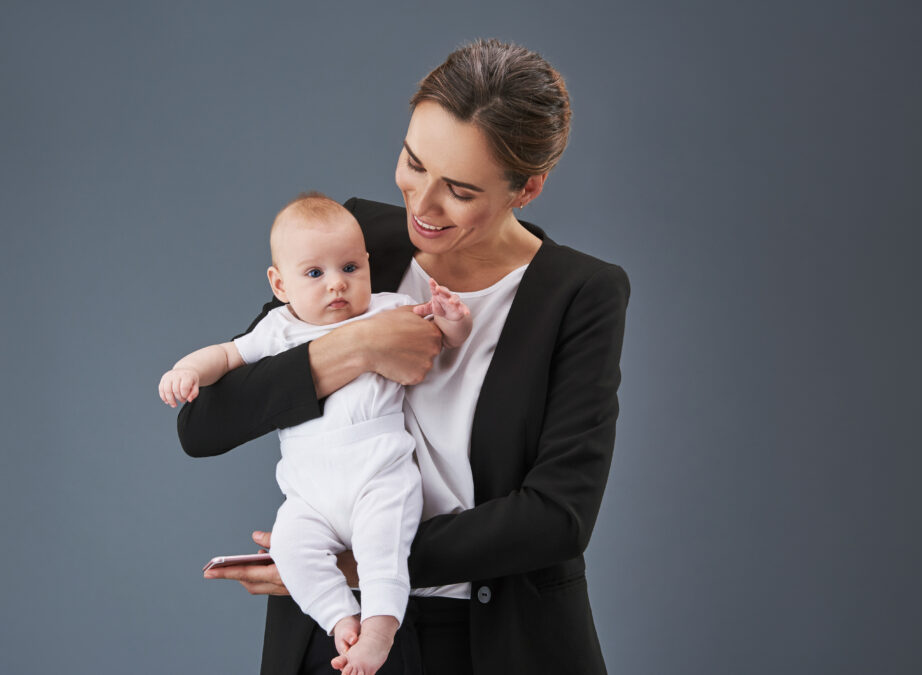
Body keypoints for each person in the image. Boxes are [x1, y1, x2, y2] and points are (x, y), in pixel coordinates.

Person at [178, 39, 630, 675]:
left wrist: (358, 560)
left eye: (461, 190)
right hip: (333, 635)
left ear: (527, 187)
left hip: (493, 641)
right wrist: (356, 344)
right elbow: (204, 424)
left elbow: (556, 518)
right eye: (414, 163)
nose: (421, 205)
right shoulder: (355, 246)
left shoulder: (580, 293)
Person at [160, 194, 472, 675]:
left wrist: (453, 318)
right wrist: (187, 370)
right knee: (288, 545)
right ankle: (341, 619)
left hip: (379, 475)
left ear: (368, 264)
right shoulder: (278, 329)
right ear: (279, 284)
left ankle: (379, 630)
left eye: (350, 268)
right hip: (311, 495)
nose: (337, 286)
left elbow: (441, 337)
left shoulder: (388, 308)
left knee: (382, 549)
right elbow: (225, 356)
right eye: (315, 274)